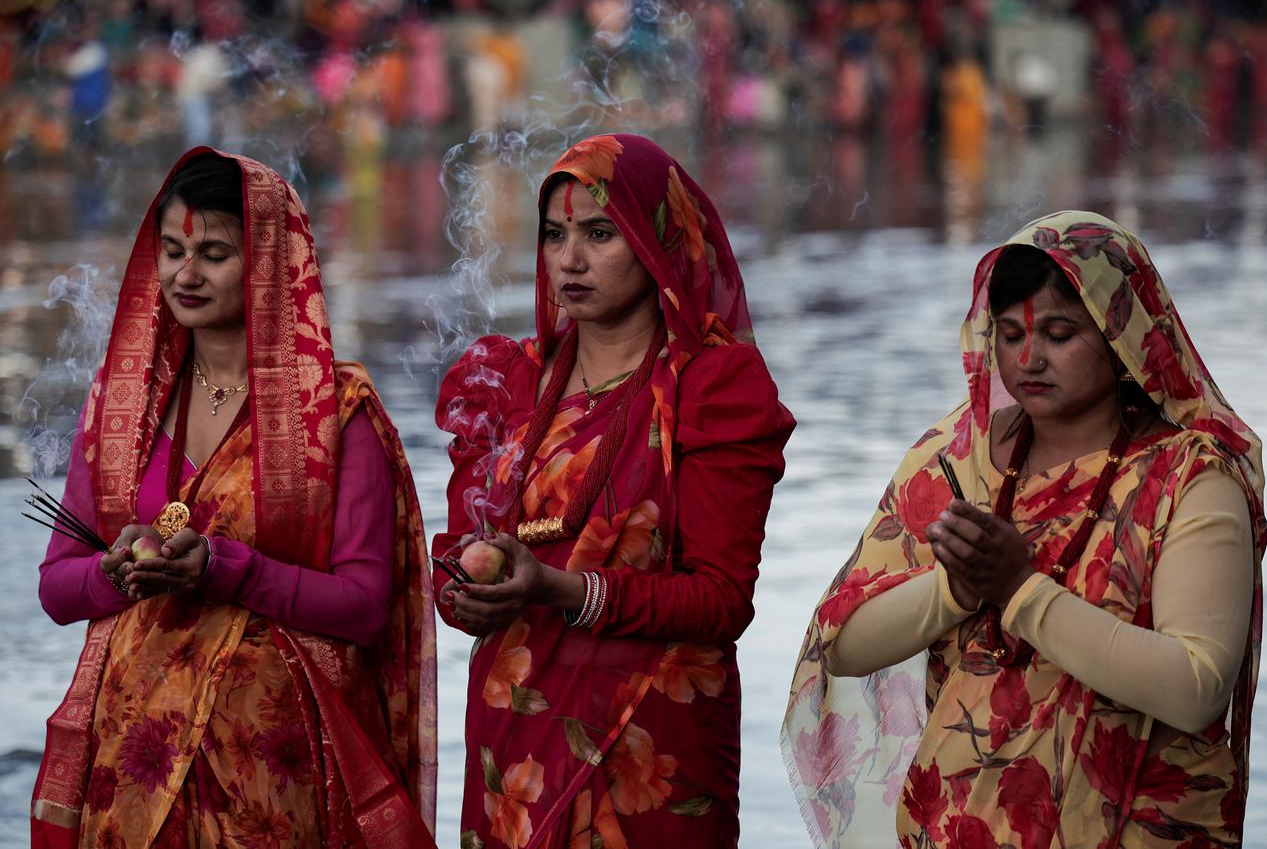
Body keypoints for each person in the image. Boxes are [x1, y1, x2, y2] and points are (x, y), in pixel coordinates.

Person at [783, 211, 1265, 847]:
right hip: (960, 826)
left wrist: (1018, 587)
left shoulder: (1189, 481)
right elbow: (841, 646)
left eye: (1060, 334)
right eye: (1009, 334)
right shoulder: (959, 459)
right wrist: (955, 591)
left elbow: (1196, 688)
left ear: (1124, 341)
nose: (1029, 357)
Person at [31, 149, 437, 847]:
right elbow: (57, 589)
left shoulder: (336, 414)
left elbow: (366, 605)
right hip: (133, 765)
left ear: (269, 264)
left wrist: (225, 568)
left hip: (272, 774)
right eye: (173, 250)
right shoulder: (122, 404)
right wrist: (113, 571)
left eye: (213, 252)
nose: (186, 274)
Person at [433, 133, 794, 847]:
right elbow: (455, 567)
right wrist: (465, 590)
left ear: (658, 240)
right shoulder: (507, 384)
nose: (570, 259)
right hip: (514, 754)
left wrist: (562, 589)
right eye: (555, 235)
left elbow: (723, 599)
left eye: (601, 233)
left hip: (649, 750)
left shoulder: (713, 388)